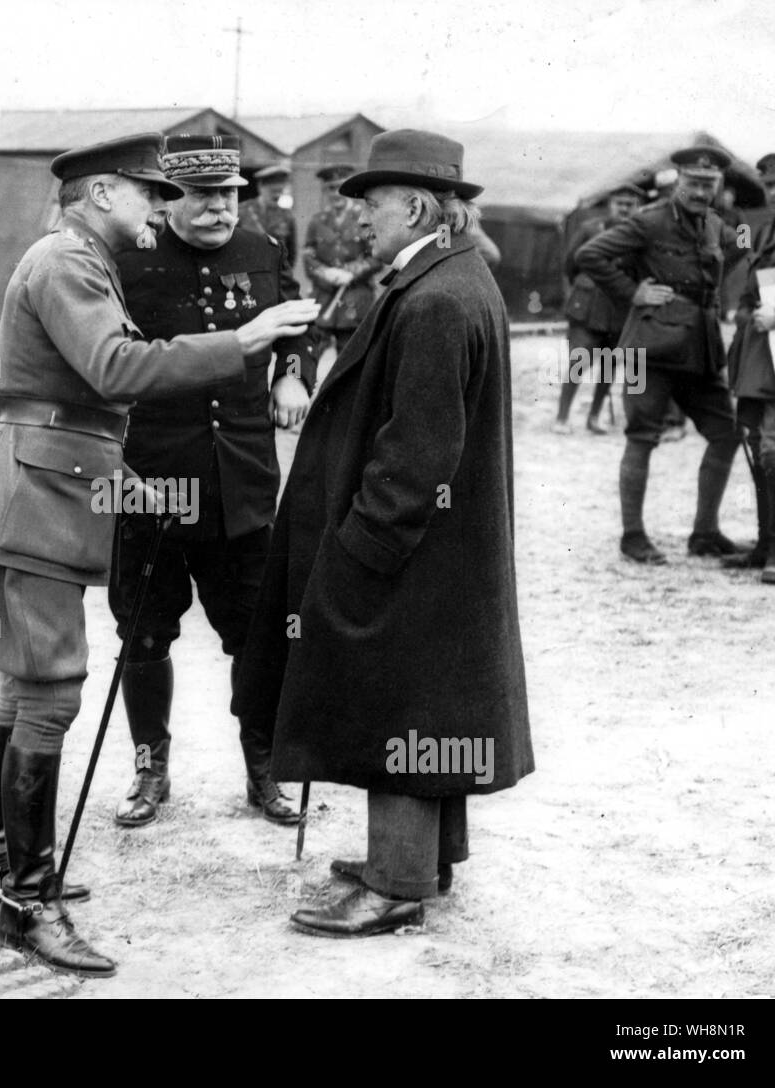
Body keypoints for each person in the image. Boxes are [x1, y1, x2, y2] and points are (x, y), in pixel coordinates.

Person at [0, 133, 318, 977]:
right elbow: (112, 369)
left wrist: (126, 479)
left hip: (38, 489)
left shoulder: (73, 258)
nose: (163, 209)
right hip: (33, 503)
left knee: (15, 685)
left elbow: (62, 402)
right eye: (150, 195)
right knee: (47, 691)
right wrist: (248, 341)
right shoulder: (70, 263)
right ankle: (27, 903)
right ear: (102, 191)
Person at [234, 129, 533, 937]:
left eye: (369, 204)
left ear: (414, 206)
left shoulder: (435, 298)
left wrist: (361, 548)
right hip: (441, 549)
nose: (358, 217)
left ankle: (396, 883)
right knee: (433, 704)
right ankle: (421, 861)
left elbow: (418, 452)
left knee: (401, 700)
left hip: (408, 548)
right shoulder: (452, 277)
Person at [111, 135, 317, 829]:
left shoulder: (262, 253)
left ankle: (264, 770)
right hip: (151, 482)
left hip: (242, 484)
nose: (219, 209)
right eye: (202, 196)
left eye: (229, 195)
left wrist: (292, 371)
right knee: (143, 634)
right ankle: (149, 769)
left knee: (255, 636)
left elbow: (296, 327)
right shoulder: (125, 259)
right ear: (170, 199)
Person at [576, 146, 742, 564]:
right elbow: (589, 255)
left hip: (699, 347)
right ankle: (633, 536)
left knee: (726, 432)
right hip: (647, 346)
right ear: (677, 181)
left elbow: (739, 247)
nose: (701, 191)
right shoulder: (649, 221)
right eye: (694, 183)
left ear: (718, 187)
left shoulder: (715, 225)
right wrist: (634, 292)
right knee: (642, 436)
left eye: (709, 185)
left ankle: (704, 533)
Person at [724, 152, 775, 584]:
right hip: (759, 358)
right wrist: (746, 311)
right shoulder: (765, 229)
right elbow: (751, 283)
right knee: (756, 448)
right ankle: (764, 544)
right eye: (770, 187)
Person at [554, 183, 647, 435]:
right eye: (620, 204)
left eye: (631, 205)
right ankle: (562, 417)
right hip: (587, 307)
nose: (625, 209)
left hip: (619, 310)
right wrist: (585, 288)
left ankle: (594, 417)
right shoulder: (589, 229)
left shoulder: (640, 236)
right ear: (610, 205)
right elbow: (570, 264)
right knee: (578, 361)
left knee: (609, 365)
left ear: (638, 207)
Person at [302, 163, 385, 353]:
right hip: (322, 299)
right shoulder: (317, 220)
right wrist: (326, 272)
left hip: (354, 300)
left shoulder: (366, 219)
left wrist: (352, 272)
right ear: (325, 191)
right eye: (330, 188)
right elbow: (308, 257)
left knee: (350, 360)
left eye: (341, 187)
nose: (336, 193)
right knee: (309, 355)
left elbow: (377, 257)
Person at [238, 162, 297, 267]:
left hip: (275, 276)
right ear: (260, 187)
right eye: (273, 191)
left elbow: (291, 256)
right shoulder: (242, 211)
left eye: (280, 191)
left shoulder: (287, 216)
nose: (277, 195)